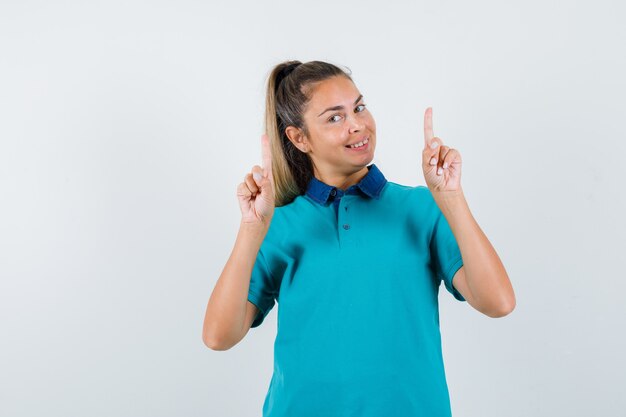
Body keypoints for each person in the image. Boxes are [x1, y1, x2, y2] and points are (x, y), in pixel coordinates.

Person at [202, 60, 516, 417]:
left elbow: (498, 302)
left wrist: (452, 199)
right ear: (299, 138)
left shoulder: (420, 208)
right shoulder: (279, 225)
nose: (358, 125)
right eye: (335, 118)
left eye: (359, 107)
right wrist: (250, 230)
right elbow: (218, 336)